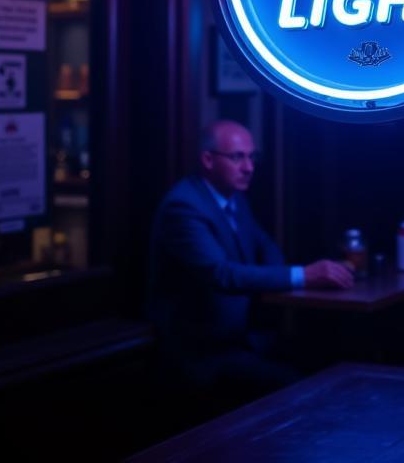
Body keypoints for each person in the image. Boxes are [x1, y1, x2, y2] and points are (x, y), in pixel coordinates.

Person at [147, 119, 353, 400]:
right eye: (237, 157)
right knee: (298, 385)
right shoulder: (183, 206)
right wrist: (304, 275)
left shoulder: (232, 196)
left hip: (241, 338)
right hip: (201, 353)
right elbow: (222, 274)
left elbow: (265, 246)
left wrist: (305, 274)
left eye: (251, 157)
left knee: (327, 358)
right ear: (207, 159)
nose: (249, 167)